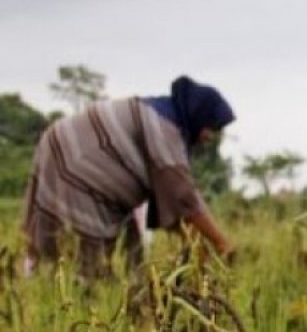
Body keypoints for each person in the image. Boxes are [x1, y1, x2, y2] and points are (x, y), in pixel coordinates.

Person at [22, 75, 235, 277]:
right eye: (211, 128)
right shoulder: (163, 127)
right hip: (77, 164)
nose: (209, 136)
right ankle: (81, 298)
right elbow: (183, 197)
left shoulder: (161, 117)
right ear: (198, 115)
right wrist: (222, 245)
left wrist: (200, 248)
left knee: (132, 255)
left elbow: (178, 210)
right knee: (82, 262)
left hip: (64, 149)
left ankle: (124, 298)